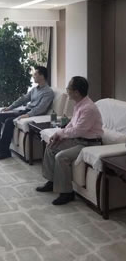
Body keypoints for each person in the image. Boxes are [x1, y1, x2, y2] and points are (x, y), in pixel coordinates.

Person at [35, 76, 103, 205]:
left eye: (68, 88)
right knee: (51, 146)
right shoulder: (79, 104)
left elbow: (78, 130)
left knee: (61, 157)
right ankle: (51, 181)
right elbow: (72, 123)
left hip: (89, 143)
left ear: (76, 92)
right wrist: (60, 134)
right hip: (78, 140)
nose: (67, 91)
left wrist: (61, 133)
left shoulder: (88, 108)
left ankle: (67, 193)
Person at [0, 66, 54, 160]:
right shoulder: (34, 89)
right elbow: (23, 99)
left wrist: (28, 115)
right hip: (25, 111)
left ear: (42, 76)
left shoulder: (48, 92)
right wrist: (10, 107)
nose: (33, 76)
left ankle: (5, 151)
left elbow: (41, 108)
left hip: (33, 114)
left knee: (9, 121)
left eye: (35, 74)